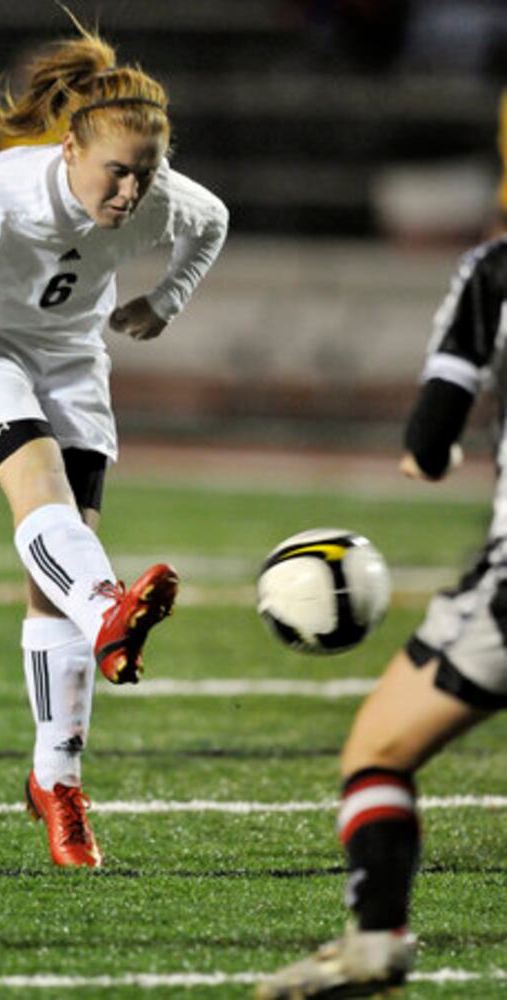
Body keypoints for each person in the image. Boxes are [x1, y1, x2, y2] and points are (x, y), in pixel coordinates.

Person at [0, 17, 229, 869]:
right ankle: (110, 613)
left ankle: (54, 781)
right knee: (45, 498)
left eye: (145, 174)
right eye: (116, 173)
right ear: (68, 149)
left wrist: (162, 303)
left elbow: (211, 225)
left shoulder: (162, 196)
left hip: (70, 361)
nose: (131, 194)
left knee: (57, 570)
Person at [256, 234, 507, 998]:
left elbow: (429, 436)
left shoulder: (495, 270)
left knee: (377, 751)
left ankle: (375, 941)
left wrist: (431, 459)